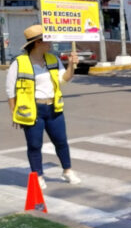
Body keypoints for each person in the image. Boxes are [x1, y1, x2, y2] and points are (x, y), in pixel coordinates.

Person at [5, 25, 80, 189]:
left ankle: (67, 170)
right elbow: (11, 91)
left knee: (61, 141)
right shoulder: (18, 63)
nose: (50, 43)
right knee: (34, 145)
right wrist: (14, 113)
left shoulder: (53, 59)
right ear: (38, 42)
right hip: (32, 110)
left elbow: (64, 79)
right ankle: (38, 175)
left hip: (53, 108)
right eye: (47, 40)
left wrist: (71, 66)